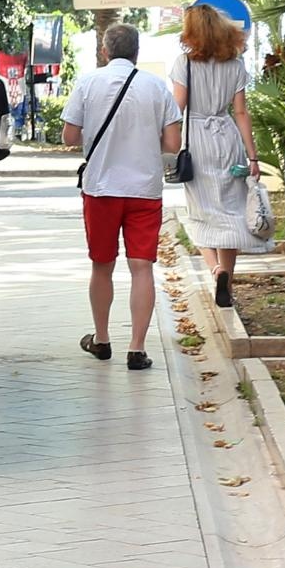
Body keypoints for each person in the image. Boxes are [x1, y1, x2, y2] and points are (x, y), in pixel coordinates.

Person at [62, 24, 183, 370]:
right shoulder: (157, 87)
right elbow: (173, 145)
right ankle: (137, 348)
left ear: (104, 51)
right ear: (137, 52)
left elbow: (70, 136)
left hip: (101, 189)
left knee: (102, 265)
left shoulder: (87, 83)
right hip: (145, 190)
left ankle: (101, 340)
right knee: (141, 267)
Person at [169, 5, 272, 310]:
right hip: (227, 136)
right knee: (230, 210)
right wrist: (252, 156)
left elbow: (178, 107)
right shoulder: (235, 64)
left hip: (196, 138)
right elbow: (240, 112)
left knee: (200, 211)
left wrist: (166, 143)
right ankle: (227, 272)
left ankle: (214, 270)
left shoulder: (183, 63)